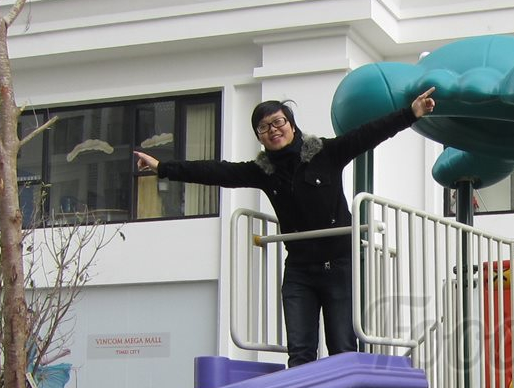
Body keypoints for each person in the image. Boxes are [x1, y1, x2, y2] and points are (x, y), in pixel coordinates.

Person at [136, 88, 436, 367]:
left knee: (342, 346)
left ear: (292, 125)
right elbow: (217, 171)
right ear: (260, 137)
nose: (272, 130)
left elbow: (369, 134)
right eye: (263, 127)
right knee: (300, 351)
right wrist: (162, 168)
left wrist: (411, 113)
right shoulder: (264, 172)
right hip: (300, 270)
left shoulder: (326, 153)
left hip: (339, 264)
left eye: (278, 122)